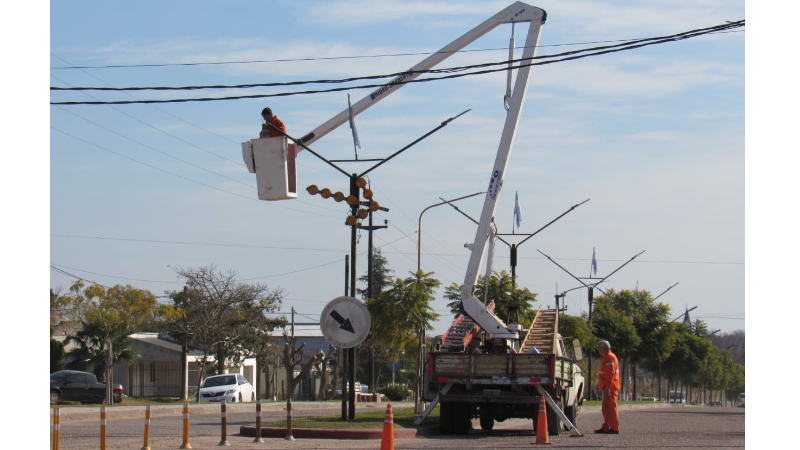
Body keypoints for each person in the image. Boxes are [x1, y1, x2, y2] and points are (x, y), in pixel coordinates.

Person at [595, 340, 621, 434]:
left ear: (604, 348)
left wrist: (607, 388)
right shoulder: (608, 357)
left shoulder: (609, 358)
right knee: (606, 408)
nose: (598, 349)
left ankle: (615, 428)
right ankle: (607, 426)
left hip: (610, 386)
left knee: (611, 408)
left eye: (599, 347)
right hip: (609, 386)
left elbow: (610, 374)